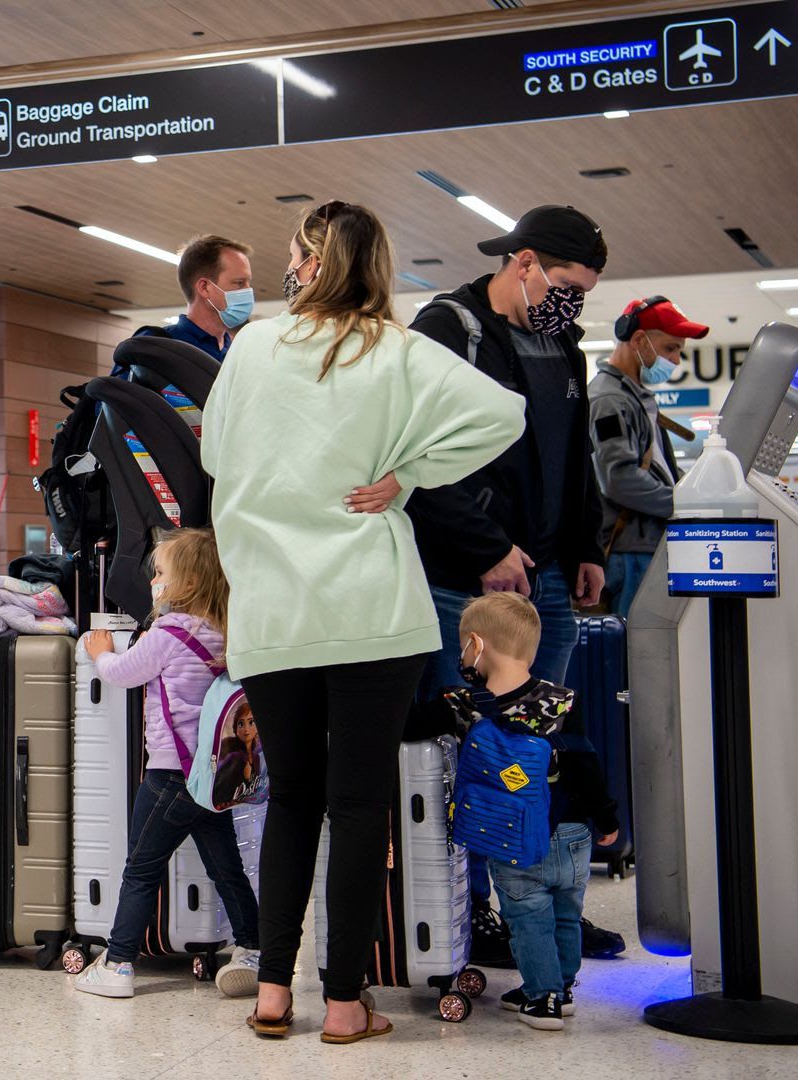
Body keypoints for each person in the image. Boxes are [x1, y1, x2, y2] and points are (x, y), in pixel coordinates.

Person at [199, 200, 524, 1042]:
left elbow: (214, 455)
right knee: (357, 806)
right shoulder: (399, 350)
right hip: (373, 611)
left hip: (274, 610)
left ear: (312, 261)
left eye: (295, 254)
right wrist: (408, 472)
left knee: (289, 800)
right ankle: (345, 1004)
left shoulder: (253, 346)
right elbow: (503, 415)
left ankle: (274, 992)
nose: (288, 268)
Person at [405, 204, 614, 965]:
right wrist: (488, 546)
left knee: (536, 749)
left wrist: (586, 544)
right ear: (523, 263)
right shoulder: (446, 330)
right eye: (566, 286)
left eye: (583, 293)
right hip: (467, 581)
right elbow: (416, 457)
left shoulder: (563, 344)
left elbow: (575, 458)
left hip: (548, 577)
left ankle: (540, 908)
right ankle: (468, 915)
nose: (572, 304)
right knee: (470, 752)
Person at [69, 529, 262, 1001]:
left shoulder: (170, 632)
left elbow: (123, 674)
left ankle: (117, 964)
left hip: (170, 776)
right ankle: (255, 949)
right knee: (227, 868)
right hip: (214, 776)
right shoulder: (227, 633)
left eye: (160, 572)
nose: (154, 580)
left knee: (140, 870)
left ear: (187, 583)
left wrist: (100, 653)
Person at [419, 593, 619, 1030]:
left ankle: (542, 998)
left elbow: (409, 728)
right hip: (572, 835)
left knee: (527, 919)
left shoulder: (461, 703)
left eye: (463, 648)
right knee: (565, 914)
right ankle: (562, 988)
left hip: (515, 838)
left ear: (476, 644)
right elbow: (586, 765)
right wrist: (606, 818)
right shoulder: (563, 700)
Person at [591, 297, 708, 618]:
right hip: (628, 551)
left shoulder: (634, 397)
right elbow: (619, 479)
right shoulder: (609, 401)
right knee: (640, 641)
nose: (676, 360)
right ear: (639, 340)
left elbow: (657, 467)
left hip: (644, 545)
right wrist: (684, 503)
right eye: (670, 348)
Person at [140, 234, 253, 360]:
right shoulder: (156, 345)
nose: (248, 291)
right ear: (204, 287)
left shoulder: (237, 356)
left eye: (248, 283)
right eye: (239, 283)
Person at [212, 704, 265, 809]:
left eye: (251, 722)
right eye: (241, 724)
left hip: (243, 803)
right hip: (222, 803)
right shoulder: (234, 756)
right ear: (235, 729)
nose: (246, 729)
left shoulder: (256, 757)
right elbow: (220, 782)